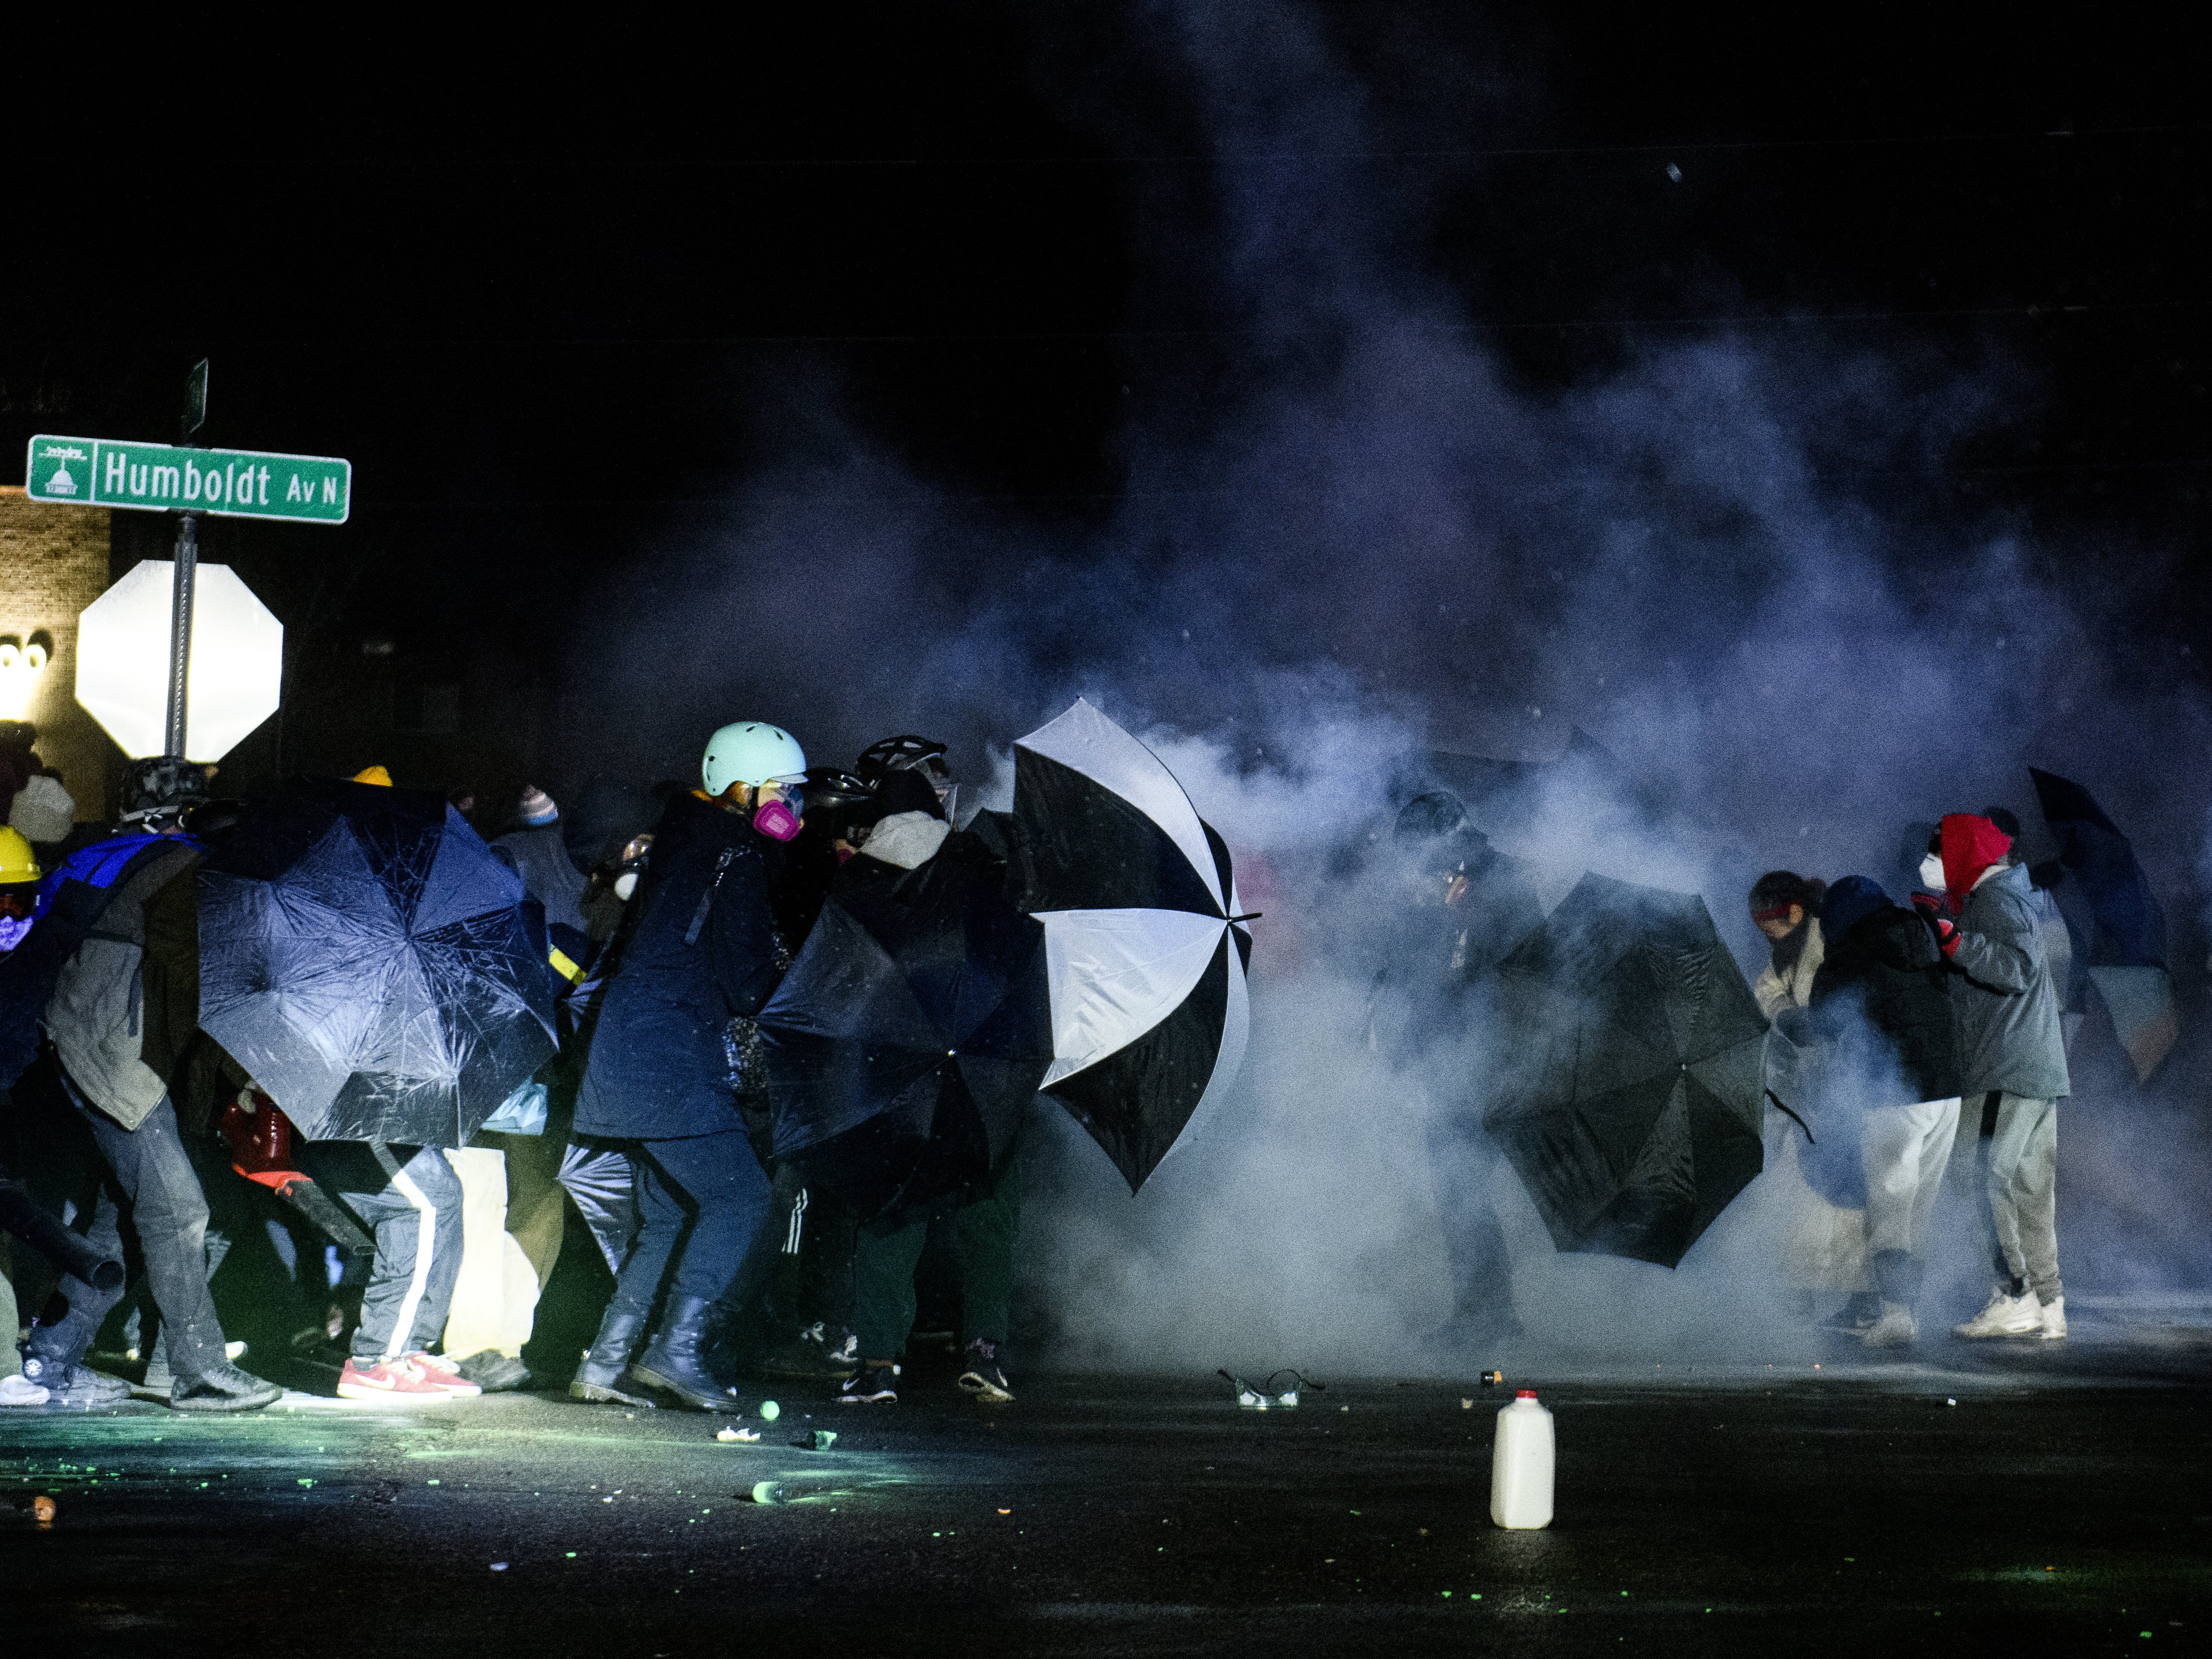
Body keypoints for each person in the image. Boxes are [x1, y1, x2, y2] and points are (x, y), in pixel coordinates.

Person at [17, 759, 278, 1412]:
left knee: (120, 1222)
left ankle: (49, 1357)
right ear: (182, 814)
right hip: (114, 1055)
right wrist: (242, 1077)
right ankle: (199, 1373)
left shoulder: (99, 856)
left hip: (67, 1045)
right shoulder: (178, 868)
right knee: (178, 1209)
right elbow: (199, 985)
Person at [567, 722, 807, 1410]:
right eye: (784, 790)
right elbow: (746, 983)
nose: (792, 806)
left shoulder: (680, 840)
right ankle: (675, 1353)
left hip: (628, 1052)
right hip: (671, 1055)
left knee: (669, 1217)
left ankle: (604, 1365)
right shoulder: (736, 852)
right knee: (742, 1198)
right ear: (744, 784)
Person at [833, 766, 1022, 1406]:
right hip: (982, 1061)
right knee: (990, 1210)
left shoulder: (857, 883)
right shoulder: (979, 866)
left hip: (899, 1067)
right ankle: (986, 1354)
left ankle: (879, 1363)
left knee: (890, 1213)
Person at [1379, 792, 1543, 1349]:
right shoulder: (1449, 881)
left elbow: (1524, 979)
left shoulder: (1501, 885)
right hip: (1457, 1058)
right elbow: (1433, 969)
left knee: (1462, 1186)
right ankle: (1486, 1314)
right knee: (1457, 1189)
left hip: (1492, 1062)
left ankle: (1487, 1318)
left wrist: (1510, 1064)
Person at [1920, 815, 2073, 1341]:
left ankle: (2013, 1294)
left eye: (1937, 855)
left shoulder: (1995, 900)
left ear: (1964, 854)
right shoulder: (2011, 897)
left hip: (2003, 1066)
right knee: (2030, 1190)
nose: (1930, 866)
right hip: (2032, 1064)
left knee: (1976, 1174)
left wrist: (1954, 943)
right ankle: (2048, 1303)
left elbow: (2015, 968)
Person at [1800, 875, 1963, 1348]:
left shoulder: (1851, 951)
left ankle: (1893, 1316)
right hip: (1945, 1091)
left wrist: (1791, 1024)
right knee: (1919, 1211)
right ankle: (1905, 1308)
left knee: (1890, 1209)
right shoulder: (1920, 936)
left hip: (1897, 1096)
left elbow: (1823, 1018)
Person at [1747, 870, 1873, 1327]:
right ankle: (1801, 1290)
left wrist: (1816, 1027)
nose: (1767, 939)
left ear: (1795, 913)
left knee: (1848, 1202)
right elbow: (1768, 990)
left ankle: (1863, 1297)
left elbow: (1851, 1007)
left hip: (1846, 1086)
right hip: (1811, 1091)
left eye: (1772, 928)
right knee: (1804, 1198)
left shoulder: (1828, 940)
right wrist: (1786, 1018)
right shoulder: (1788, 950)